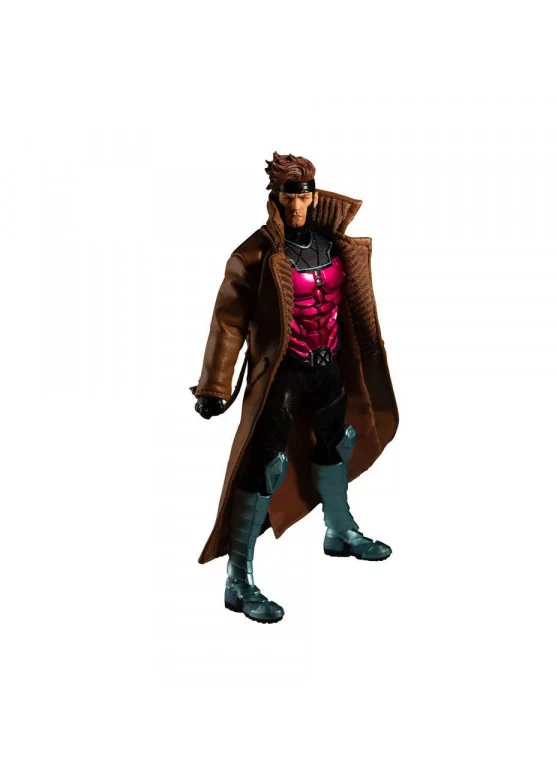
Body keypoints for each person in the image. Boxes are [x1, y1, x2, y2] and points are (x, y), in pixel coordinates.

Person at [191, 152, 399, 623]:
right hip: (283, 372)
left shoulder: (335, 246)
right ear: (277, 198)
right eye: (290, 195)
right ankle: (238, 579)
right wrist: (214, 385)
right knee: (265, 465)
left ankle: (339, 531)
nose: (299, 204)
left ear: (315, 195)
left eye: (305, 194)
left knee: (336, 444)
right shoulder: (255, 255)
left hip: (329, 365)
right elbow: (229, 320)